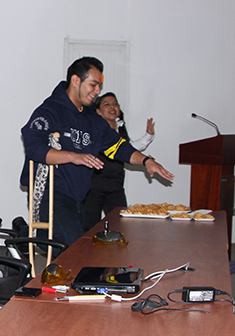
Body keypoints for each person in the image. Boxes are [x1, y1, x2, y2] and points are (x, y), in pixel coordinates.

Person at [20, 57, 174, 247]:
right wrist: (73, 156)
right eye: (93, 85)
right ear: (75, 80)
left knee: (76, 253)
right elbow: (34, 147)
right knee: (75, 253)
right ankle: (24, 237)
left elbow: (119, 147)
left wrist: (146, 161)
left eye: (99, 86)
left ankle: (22, 236)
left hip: (78, 199)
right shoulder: (50, 110)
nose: (98, 91)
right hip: (52, 196)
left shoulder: (92, 119)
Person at [82, 92, 156, 231]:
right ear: (97, 111)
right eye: (107, 104)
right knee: (90, 226)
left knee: (120, 224)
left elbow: (127, 150)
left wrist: (148, 136)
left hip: (115, 184)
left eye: (115, 104)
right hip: (95, 184)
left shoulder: (120, 126)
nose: (113, 107)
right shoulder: (93, 129)